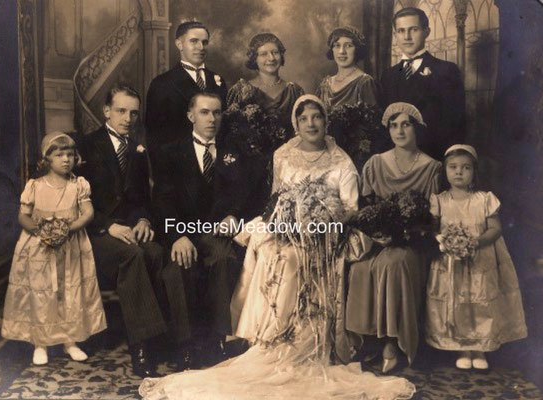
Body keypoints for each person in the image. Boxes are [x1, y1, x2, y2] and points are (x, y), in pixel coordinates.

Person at [139, 95, 416, 400]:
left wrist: (320, 218)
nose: (311, 124)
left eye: (317, 118)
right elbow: (276, 200)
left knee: (293, 257)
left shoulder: (341, 160)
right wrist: (289, 220)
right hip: (285, 228)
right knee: (274, 251)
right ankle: (267, 339)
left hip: (328, 232)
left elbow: (350, 206)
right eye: (304, 118)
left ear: (325, 122)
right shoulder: (283, 154)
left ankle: (304, 341)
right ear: (295, 124)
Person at [78, 85, 190, 377]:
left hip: (129, 229)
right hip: (95, 233)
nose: (128, 118)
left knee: (159, 254)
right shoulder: (86, 147)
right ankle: (142, 347)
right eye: (121, 111)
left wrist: (143, 221)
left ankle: (180, 342)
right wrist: (108, 226)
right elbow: (74, 202)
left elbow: (140, 199)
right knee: (133, 257)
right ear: (106, 112)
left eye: (133, 113)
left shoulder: (138, 152)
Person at [346, 102, 441, 373]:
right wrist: (377, 231)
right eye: (393, 125)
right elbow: (366, 207)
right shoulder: (376, 163)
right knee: (361, 267)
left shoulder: (431, 168)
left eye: (406, 124)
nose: (399, 131)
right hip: (379, 240)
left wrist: (405, 233)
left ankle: (393, 343)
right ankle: (367, 341)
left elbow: (432, 219)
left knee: (393, 263)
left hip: (413, 242)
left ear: (416, 128)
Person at [1, 132, 107, 365]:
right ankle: (42, 343)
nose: (66, 159)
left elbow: (88, 213)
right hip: (40, 248)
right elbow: (23, 216)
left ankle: (69, 341)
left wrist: (68, 229)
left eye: (70, 154)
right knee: (42, 293)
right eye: (59, 155)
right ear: (47, 158)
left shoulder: (78, 185)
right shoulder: (35, 186)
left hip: (71, 246)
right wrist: (41, 232)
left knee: (69, 292)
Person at [153, 92, 242, 367]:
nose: (211, 118)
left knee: (224, 259)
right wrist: (177, 236)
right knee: (178, 268)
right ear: (191, 116)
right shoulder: (170, 152)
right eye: (205, 112)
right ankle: (185, 346)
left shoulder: (233, 151)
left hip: (216, 233)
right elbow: (162, 200)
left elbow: (244, 194)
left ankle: (217, 341)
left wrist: (232, 215)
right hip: (181, 231)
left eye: (217, 112)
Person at [425, 144, 527, 370]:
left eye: (465, 168)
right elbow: (432, 230)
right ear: (446, 171)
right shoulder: (439, 200)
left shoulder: (485, 199)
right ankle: (462, 348)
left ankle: (479, 348)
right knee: (457, 302)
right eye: (453, 167)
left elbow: (495, 229)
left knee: (479, 303)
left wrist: (474, 242)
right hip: (450, 262)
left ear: (474, 172)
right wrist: (444, 241)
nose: (459, 172)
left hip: (480, 260)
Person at [213, 33, 304, 224]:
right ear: (254, 58)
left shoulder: (294, 91)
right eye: (264, 54)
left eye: (275, 52)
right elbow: (227, 137)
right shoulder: (240, 90)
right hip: (247, 174)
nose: (271, 58)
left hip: (287, 170)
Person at [380, 7, 466, 160]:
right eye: (401, 31)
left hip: (433, 159)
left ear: (426, 31)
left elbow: (455, 125)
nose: (407, 37)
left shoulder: (446, 71)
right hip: (396, 161)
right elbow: (385, 126)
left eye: (413, 29)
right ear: (394, 35)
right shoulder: (388, 76)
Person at [145, 21, 228, 163]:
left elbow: (224, 128)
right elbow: (154, 137)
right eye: (194, 41)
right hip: (180, 167)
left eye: (204, 42)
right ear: (179, 44)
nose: (201, 47)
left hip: (216, 166)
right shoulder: (162, 83)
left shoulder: (217, 80)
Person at [316, 26, 378, 111]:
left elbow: (372, 121)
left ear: (357, 50)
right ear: (332, 49)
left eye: (348, 46)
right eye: (337, 45)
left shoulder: (365, 83)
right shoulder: (325, 86)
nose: (342, 51)